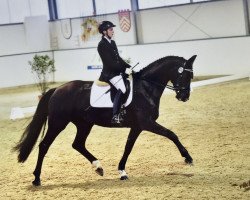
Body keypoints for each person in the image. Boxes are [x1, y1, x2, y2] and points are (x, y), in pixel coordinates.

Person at [97, 21, 131, 124]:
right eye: (110, 29)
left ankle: (125, 108)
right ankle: (115, 115)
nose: (113, 31)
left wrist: (128, 66)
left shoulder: (112, 42)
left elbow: (118, 59)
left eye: (112, 29)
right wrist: (123, 70)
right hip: (109, 73)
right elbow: (109, 63)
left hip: (116, 72)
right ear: (104, 32)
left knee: (128, 84)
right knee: (122, 88)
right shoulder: (102, 45)